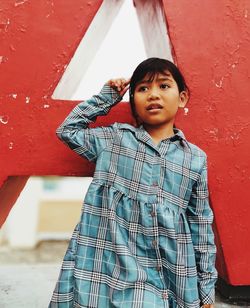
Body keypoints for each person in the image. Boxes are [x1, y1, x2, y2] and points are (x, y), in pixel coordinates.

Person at [49, 58, 217, 308]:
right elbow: (68, 131)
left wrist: (206, 288)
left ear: (182, 98)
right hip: (107, 266)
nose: (153, 95)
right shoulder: (114, 139)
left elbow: (200, 224)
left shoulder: (194, 158)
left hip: (168, 272)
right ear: (133, 102)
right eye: (143, 88)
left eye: (163, 86)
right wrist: (107, 97)